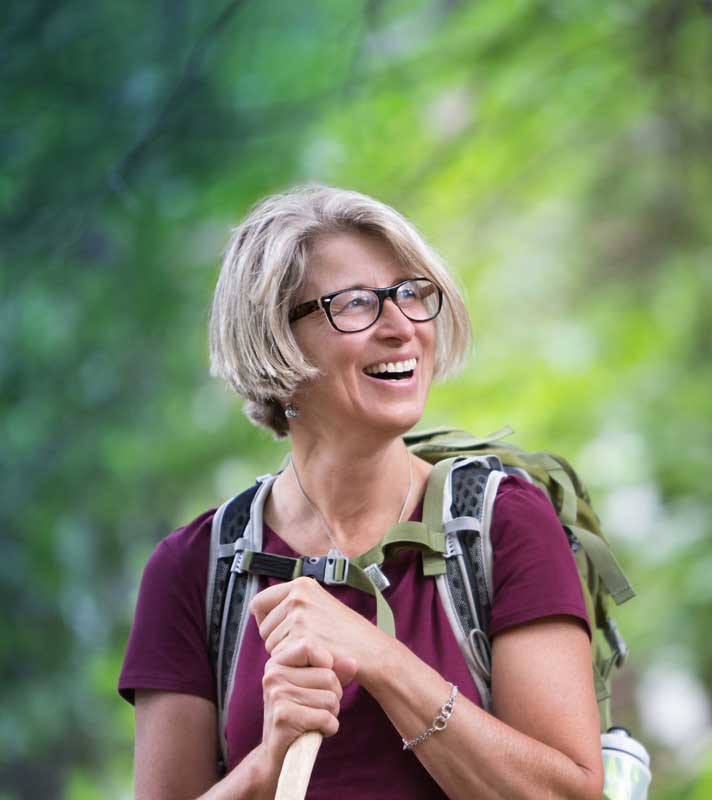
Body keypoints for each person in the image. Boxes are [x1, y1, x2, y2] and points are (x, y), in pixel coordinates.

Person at [118, 185, 603, 799]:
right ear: (274, 337)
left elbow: (569, 794)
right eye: (355, 304)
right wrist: (267, 765)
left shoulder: (502, 524)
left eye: (412, 294)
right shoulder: (193, 570)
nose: (402, 327)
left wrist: (381, 659)